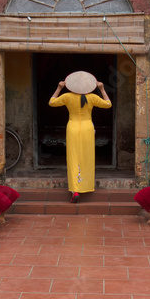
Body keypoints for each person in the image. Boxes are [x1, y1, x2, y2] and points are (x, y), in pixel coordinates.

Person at [49, 73, 112, 203]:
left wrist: (59, 88)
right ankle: (85, 185)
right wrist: (102, 89)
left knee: (73, 157)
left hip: (72, 127)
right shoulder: (92, 97)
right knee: (86, 157)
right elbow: (108, 104)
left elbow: (51, 102)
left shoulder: (67, 96)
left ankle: (74, 190)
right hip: (87, 127)